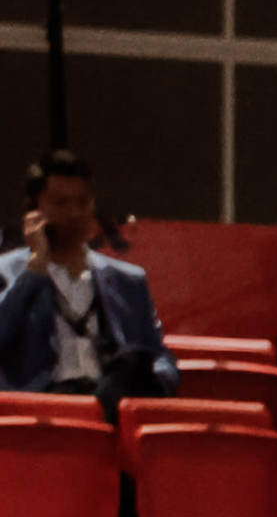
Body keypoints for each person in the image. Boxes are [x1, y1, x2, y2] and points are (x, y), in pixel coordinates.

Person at [0, 153, 173, 397]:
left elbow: (158, 355)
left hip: (108, 396)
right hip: (42, 401)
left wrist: (158, 381)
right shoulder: (7, 271)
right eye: (61, 203)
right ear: (34, 210)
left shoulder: (127, 280)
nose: (74, 214)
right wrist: (35, 269)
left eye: (82, 203)